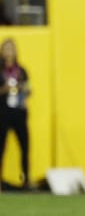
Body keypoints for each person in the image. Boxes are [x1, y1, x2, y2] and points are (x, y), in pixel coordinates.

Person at [0, 38, 31, 189]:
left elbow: (29, 89)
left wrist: (22, 88)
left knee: (25, 147)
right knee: (1, 147)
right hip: (3, 114)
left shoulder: (22, 71)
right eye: (6, 48)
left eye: (12, 48)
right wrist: (3, 90)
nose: (9, 51)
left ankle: (26, 180)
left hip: (19, 113)